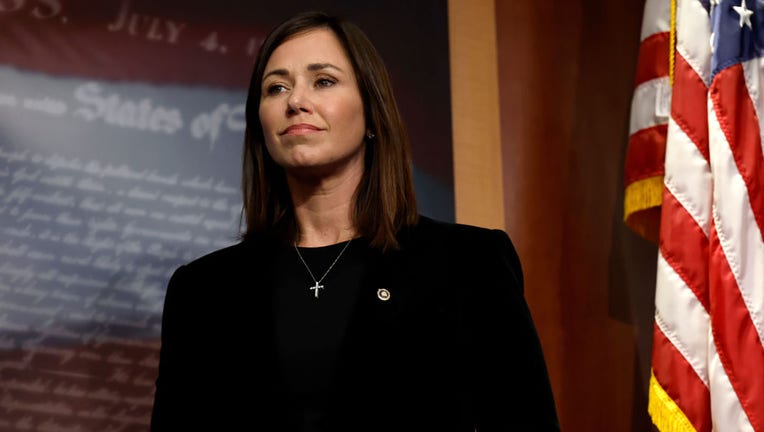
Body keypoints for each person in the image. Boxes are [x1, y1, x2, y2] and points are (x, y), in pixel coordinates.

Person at [150, 10, 559, 432]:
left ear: (371, 112)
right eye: (276, 88)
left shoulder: (471, 263)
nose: (295, 101)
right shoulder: (201, 290)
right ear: (260, 123)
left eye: (323, 81)